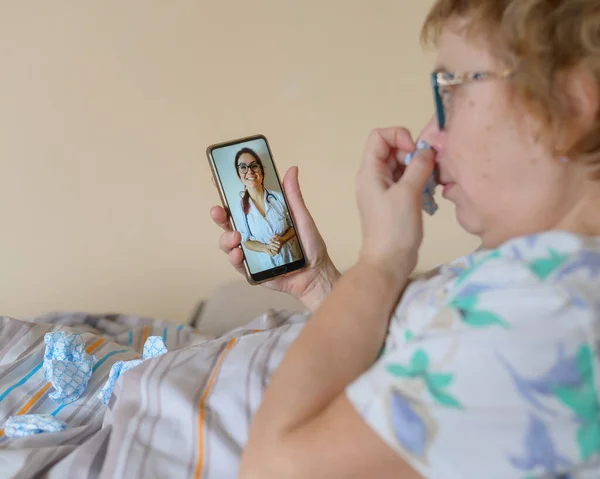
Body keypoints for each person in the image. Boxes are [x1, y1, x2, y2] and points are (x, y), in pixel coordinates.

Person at [209, 0, 600, 477]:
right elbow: (409, 352)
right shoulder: (538, 268)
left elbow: (272, 469)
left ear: (572, 106)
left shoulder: (551, 316)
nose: (430, 135)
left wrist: (381, 261)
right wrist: (319, 284)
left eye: (451, 91)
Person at [233, 147, 302, 270]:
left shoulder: (280, 197)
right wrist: (266, 248)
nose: (249, 172)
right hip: (268, 267)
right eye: (243, 167)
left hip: (293, 258)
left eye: (254, 166)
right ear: (239, 175)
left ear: (261, 171)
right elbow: (246, 241)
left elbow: (294, 225)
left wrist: (282, 240)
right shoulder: (240, 209)